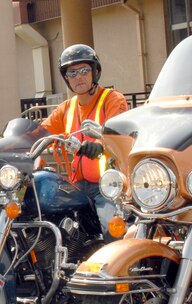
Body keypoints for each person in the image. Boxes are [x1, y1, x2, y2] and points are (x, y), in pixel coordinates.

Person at [40, 44, 129, 239]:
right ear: (66, 78)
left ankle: (118, 268)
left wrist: (99, 146)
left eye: (84, 70)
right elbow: (40, 133)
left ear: (95, 72)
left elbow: (121, 137)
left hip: (108, 187)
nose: (78, 77)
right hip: (77, 187)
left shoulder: (112, 100)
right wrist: (13, 143)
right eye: (72, 73)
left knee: (112, 231)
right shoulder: (66, 107)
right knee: (48, 221)